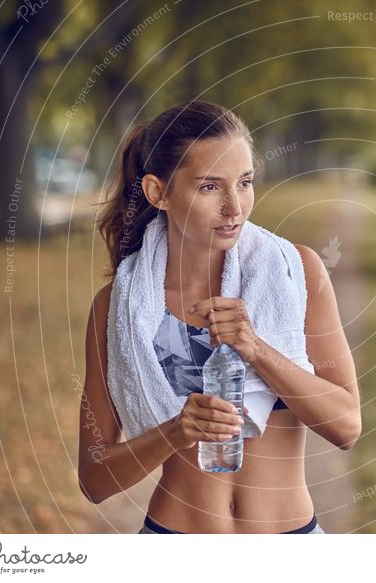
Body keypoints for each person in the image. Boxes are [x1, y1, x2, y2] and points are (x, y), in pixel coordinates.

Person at [77, 100, 361, 534]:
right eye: (210, 187)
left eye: (244, 183)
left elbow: (346, 426)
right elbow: (94, 480)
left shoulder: (296, 274)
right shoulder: (119, 308)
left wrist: (256, 348)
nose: (235, 207)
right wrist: (176, 431)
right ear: (158, 192)